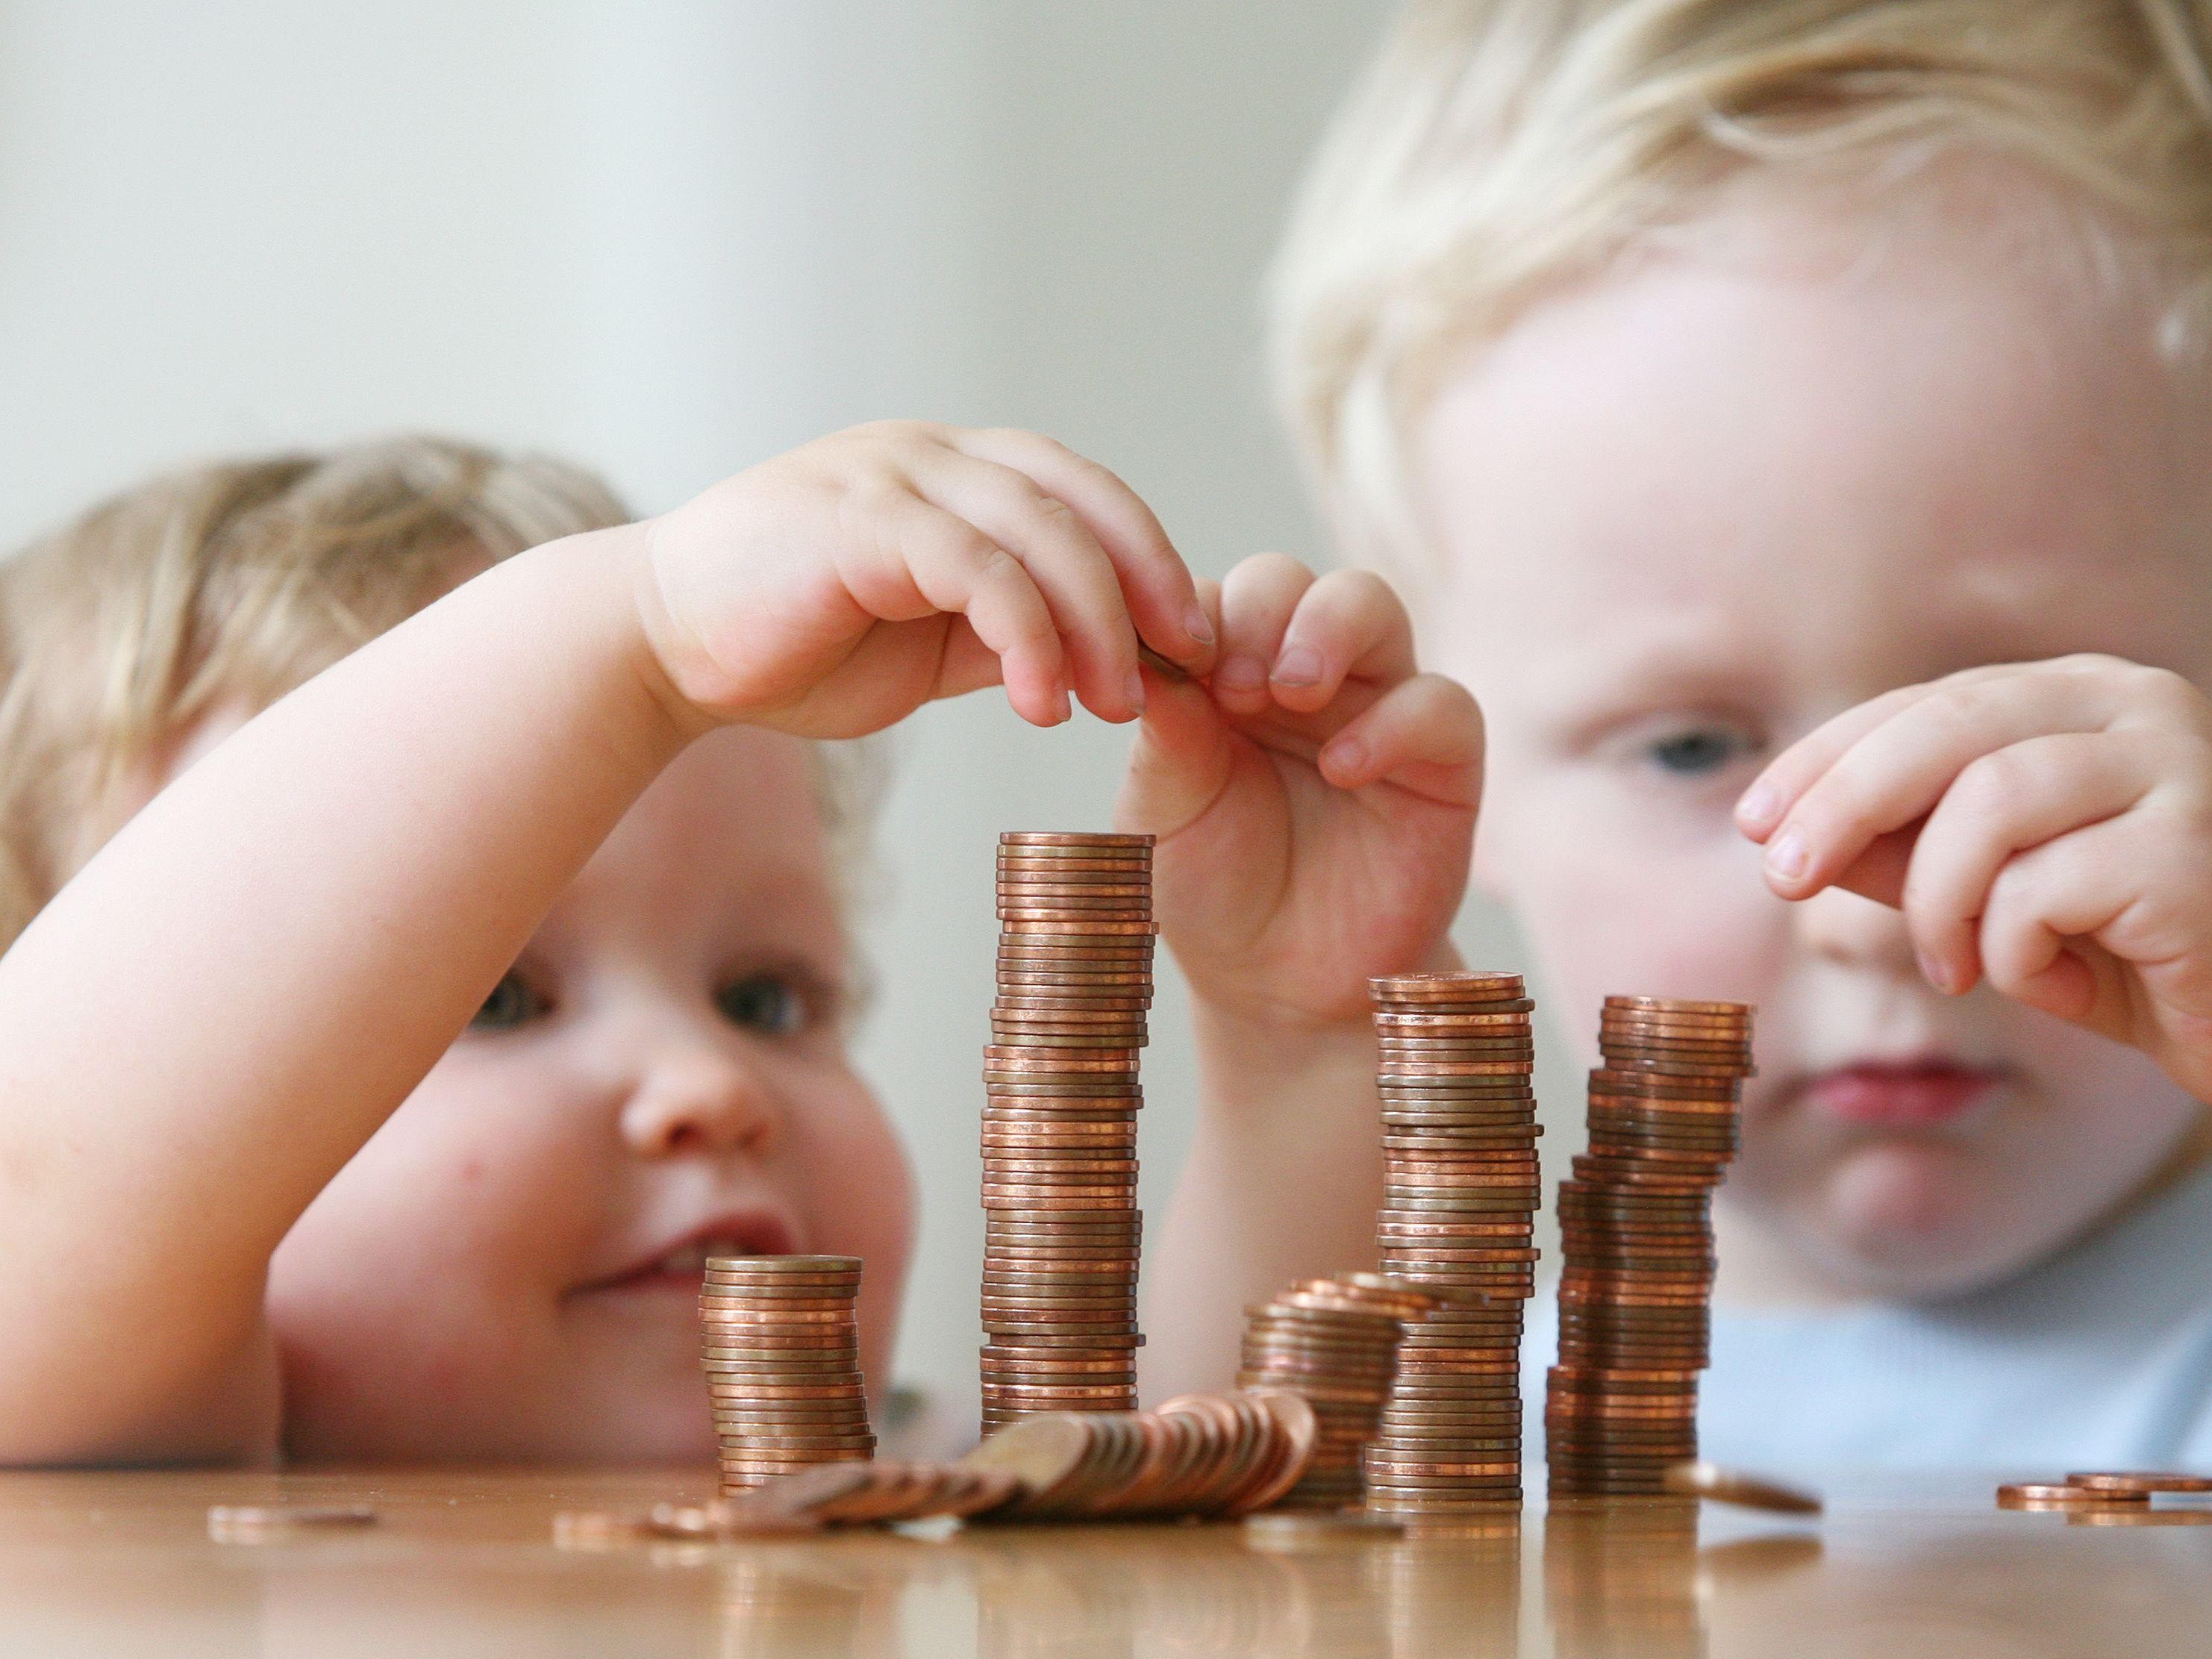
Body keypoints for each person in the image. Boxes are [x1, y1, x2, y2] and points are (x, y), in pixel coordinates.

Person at [0, 424, 1481, 1466]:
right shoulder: (139, 1434)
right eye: (497, 995)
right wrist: (629, 635)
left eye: (767, 993)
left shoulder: (925, 1476)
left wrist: (1298, 1036)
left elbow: (1228, 1486)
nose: (708, 1083)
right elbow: (63, 1169)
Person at [1269, 0, 2212, 1471]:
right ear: (1450, 779)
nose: (1865, 917)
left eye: (2019, 732)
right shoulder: (1426, 1395)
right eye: (1691, 750)